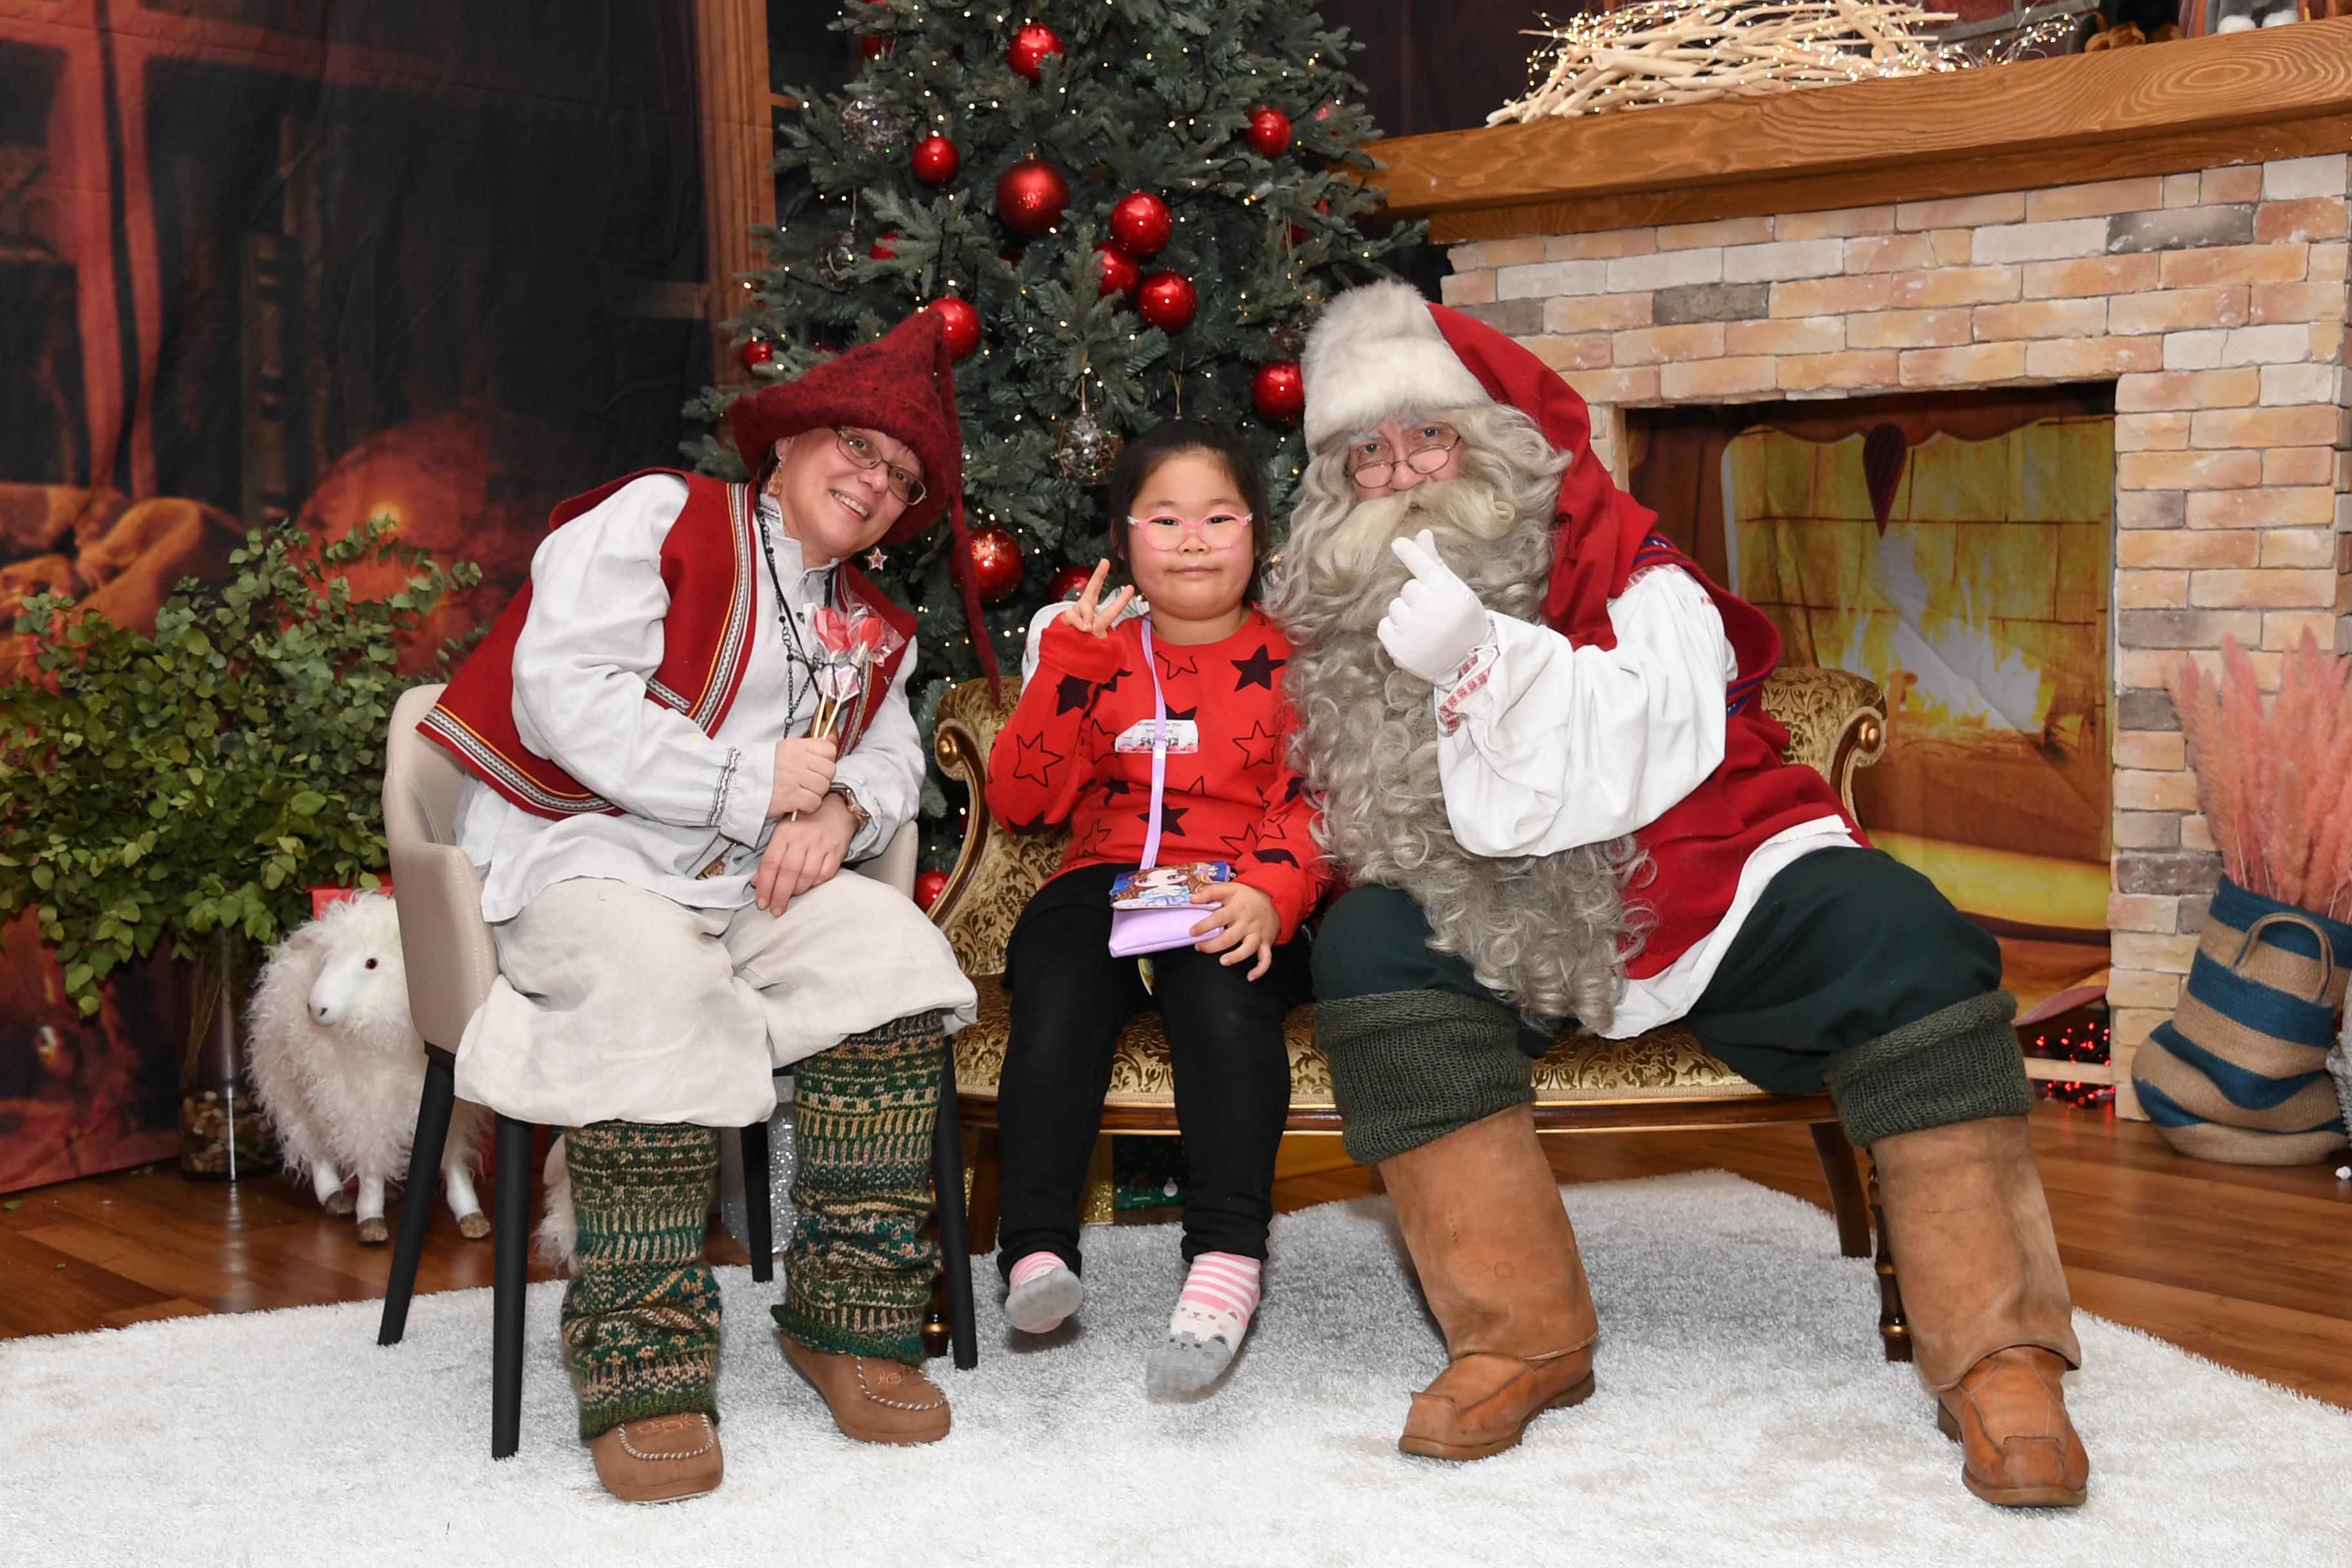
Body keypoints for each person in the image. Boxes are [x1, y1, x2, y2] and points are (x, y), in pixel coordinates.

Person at [1265, 281, 2087, 1507]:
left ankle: (2000, 1350)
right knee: (1376, 950)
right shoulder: (1336, 608)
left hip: (1699, 869)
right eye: (1367, 455)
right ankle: (1517, 1332)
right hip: (1498, 908)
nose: (1401, 476)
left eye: (1427, 437)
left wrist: (1485, 658)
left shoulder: (1628, 558)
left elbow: (1656, 729)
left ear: (1491, 439)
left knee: (1902, 933)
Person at [420, 309, 986, 1502]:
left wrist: (842, 819)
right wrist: (745, 784)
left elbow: (889, 763)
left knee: (895, 957)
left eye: (900, 477)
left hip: (748, 884)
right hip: (585, 856)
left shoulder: (871, 623)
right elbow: (560, 690)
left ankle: (845, 1316)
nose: (874, 483)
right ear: (783, 444)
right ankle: (644, 1359)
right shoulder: (660, 518)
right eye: (855, 447)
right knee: (655, 990)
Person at [984, 420, 1328, 1395]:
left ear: (1258, 536)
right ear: (1124, 537)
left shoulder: (1302, 661)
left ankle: (1225, 1261)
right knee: (1054, 992)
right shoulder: (1095, 653)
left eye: (1219, 518)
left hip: (1239, 883)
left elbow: (1324, 800)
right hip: (1101, 878)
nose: (1191, 540)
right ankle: (1036, 1250)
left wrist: (1271, 891)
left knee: (1223, 1000)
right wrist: (1067, 672)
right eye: (1165, 518)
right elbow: (1022, 800)